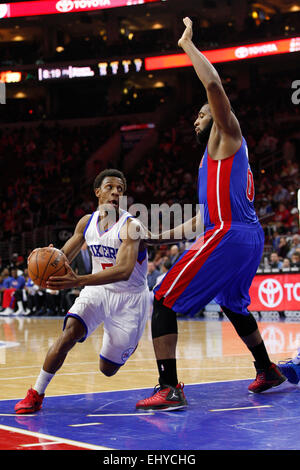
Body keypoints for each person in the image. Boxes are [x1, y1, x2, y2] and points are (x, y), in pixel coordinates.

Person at [136, 18, 286, 411]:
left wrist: (187, 44)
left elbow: (214, 86)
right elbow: (199, 220)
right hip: (243, 235)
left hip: (231, 233)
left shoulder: (227, 134)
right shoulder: (210, 161)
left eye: (202, 114)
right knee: (234, 303)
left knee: (164, 298)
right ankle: (267, 369)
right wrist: (155, 235)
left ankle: (169, 387)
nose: (196, 119)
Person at [15, 169, 150, 414]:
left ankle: (127, 342)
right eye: (110, 187)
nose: (115, 193)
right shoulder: (86, 222)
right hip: (97, 291)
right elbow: (63, 258)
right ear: (97, 192)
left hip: (129, 299)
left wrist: (78, 280)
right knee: (69, 334)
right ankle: (36, 392)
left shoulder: (131, 225)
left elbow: (123, 271)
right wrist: (46, 261)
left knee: (107, 369)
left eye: (120, 189)